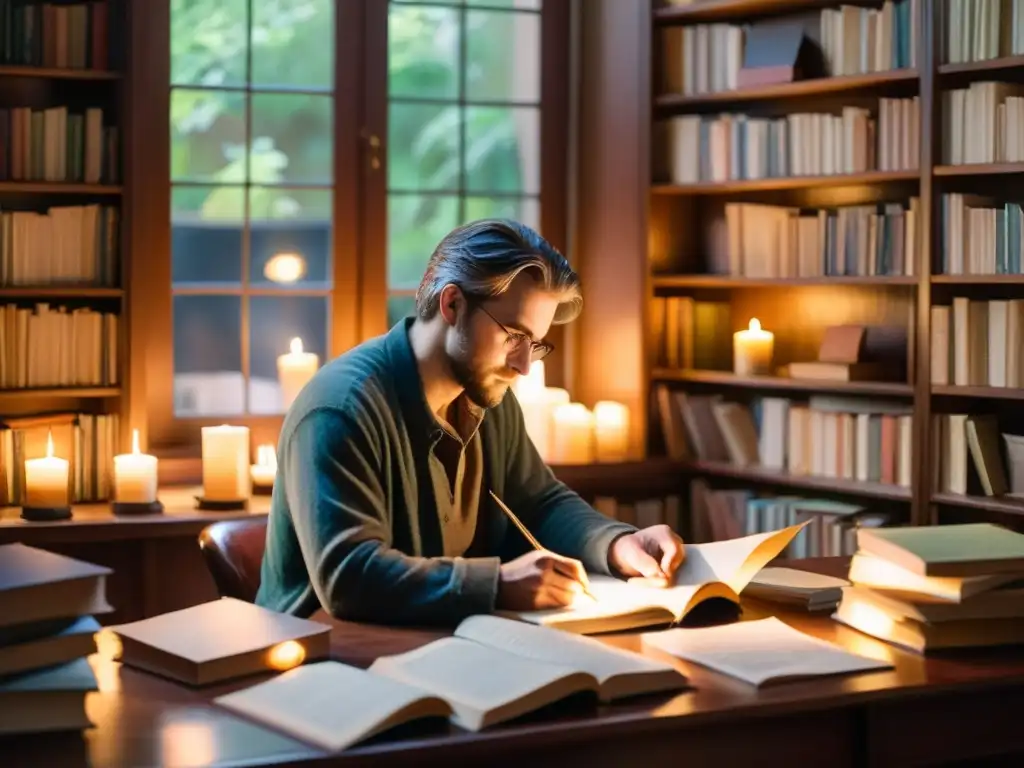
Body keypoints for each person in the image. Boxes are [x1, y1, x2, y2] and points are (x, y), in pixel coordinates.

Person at [256, 219, 685, 625]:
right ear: (453, 303)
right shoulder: (339, 410)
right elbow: (349, 577)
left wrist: (615, 544)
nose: (523, 366)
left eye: (535, 344)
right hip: (319, 664)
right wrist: (498, 584)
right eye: (514, 336)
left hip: (435, 646)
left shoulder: (487, 393)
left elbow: (539, 502)